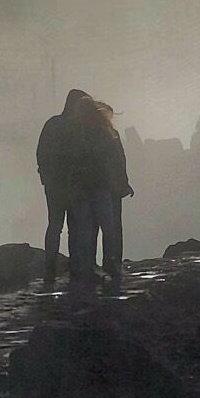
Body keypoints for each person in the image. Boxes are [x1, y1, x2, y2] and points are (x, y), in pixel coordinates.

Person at [62, 96, 133, 291]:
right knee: (107, 228)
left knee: (87, 230)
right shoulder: (104, 133)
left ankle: (89, 268)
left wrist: (70, 186)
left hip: (87, 188)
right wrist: (121, 182)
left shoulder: (77, 134)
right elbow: (116, 159)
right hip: (99, 187)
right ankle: (108, 264)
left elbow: (70, 163)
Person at [35, 90, 92, 286]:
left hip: (56, 185)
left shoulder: (52, 124)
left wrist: (45, 177)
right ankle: (75, 268)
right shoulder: (79, 127)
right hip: (70, 185)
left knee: (56, 226)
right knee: (72, 226)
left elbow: (41, 152)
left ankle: (51, 270)